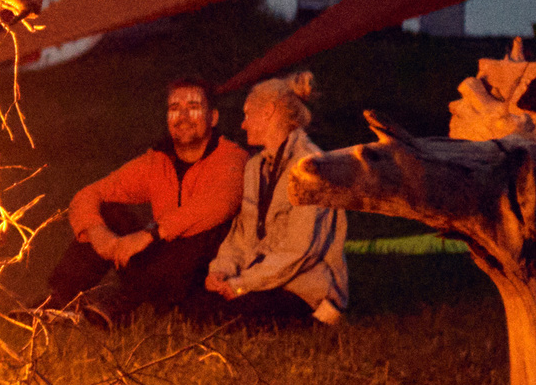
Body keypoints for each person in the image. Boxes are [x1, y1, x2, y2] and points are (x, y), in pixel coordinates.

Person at [40, 76, 248, 323]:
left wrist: (150, 234)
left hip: (206, 274)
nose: (182, 117)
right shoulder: (158, 161)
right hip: (159, 265)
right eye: (174, 109)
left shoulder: (233, 159)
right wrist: (98, 234)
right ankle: (58, 300)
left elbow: (217, 206)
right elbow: (88, 194)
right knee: (107, 212)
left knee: (207, 231)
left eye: (193, 108)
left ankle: (126, 304)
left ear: (212, 118)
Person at [203, 71, 348, 328]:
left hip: (304, 287)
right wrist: (222, 269)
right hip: (262, 279)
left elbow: (299, 252)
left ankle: (321, 320)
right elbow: (242, 235)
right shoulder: (255, 167)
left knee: (232, 320)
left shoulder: (311, 167)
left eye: (248, 114)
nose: (243, 124)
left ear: (269, 111)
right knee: (200, 307)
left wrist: (241, 285)